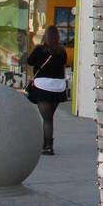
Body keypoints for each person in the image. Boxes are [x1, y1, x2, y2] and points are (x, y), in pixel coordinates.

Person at [27, 25, 68, 155]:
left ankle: (48, 147)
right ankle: (47, 145)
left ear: (46, 36)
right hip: (58, 87)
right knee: (49, 118)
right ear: (57, 37)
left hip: (43, 86)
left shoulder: (40, 49)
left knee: (47, 119)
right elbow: (64, 63)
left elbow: (29, 61)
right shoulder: (62, 51)